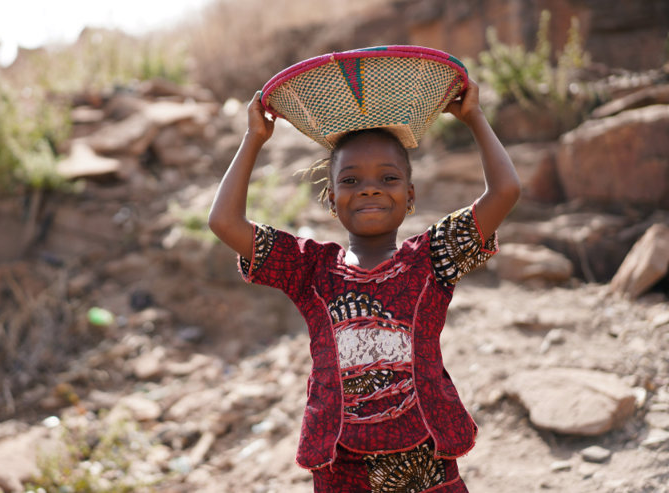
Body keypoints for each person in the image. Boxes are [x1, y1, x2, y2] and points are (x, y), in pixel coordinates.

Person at [208, 77, 521, 492]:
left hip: (424, 458)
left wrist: (474, 117)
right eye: (350, 181)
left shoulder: (432, 258)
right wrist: (253, 138)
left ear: (410, 196)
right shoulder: (310, 269)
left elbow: (505, 190)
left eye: (388, 179)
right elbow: (224, 223)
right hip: (342, 465)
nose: (369, 187)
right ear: (331, 199)